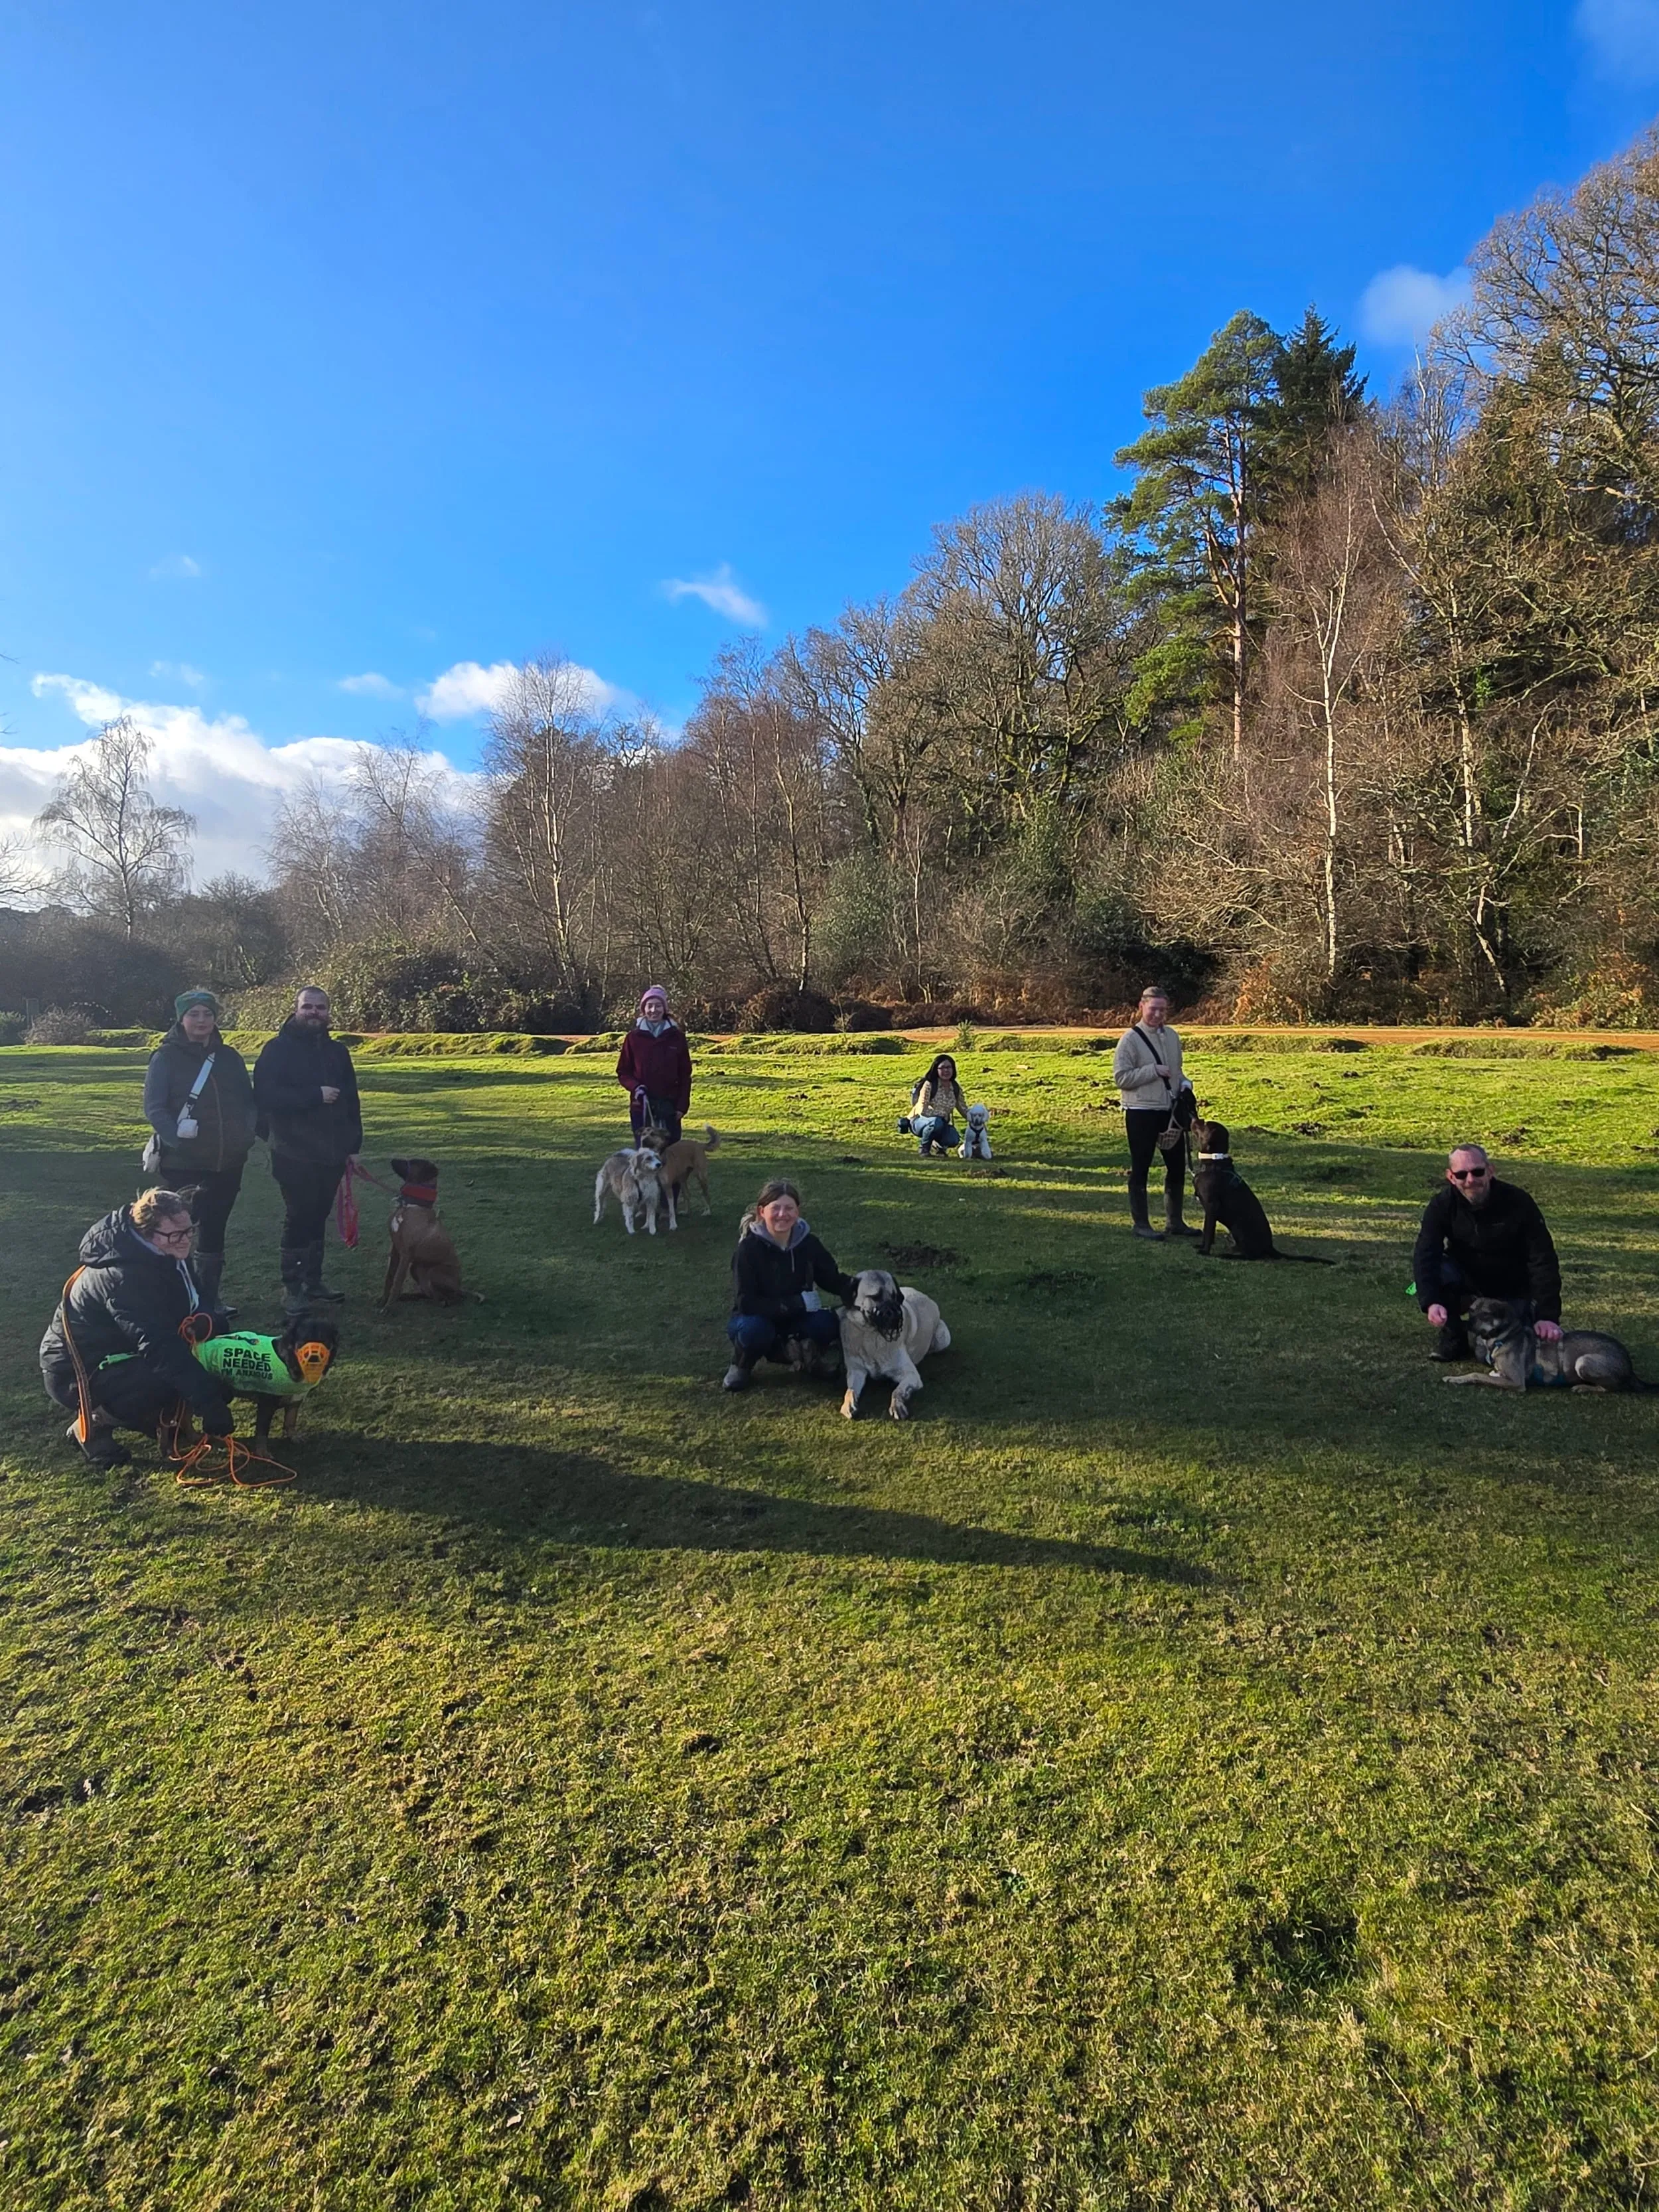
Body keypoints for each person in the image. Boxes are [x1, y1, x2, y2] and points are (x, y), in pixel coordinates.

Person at [40, 1188, 235, 1469]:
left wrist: (208, 1322)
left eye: (190, 1231)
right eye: (176, 1234)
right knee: (168, 1381)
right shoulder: (122, 1277)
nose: (186, 1240)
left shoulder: (166, 1249)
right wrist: (209, 1402)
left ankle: (157, 1418)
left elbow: (197, 1297)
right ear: (147, 1233)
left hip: (126, 1351)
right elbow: (158, 1346)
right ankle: (94, 1421)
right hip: (76, 1371)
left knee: (211, 1362)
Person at [141, 988, 256, 1323]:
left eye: (208, 1014)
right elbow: (155, 1108)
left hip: (228, 1163)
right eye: (194, 1014)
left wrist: (245, 1137)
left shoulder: (230, 1058)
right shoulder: (165, 1058)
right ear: (181, 1019)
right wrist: (177, 1140)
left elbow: (248, 1102)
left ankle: (208, 1299)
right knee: (177, 1232)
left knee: (215, 1230)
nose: (202, 1021)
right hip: (184, 1166)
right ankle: (178, 1299)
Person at [253, 986, 363, 1317]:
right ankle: (292, 1289)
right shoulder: (277, 1050)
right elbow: (265, 1097)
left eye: (320, 1007)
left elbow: (351, 1101)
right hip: (293, 1151)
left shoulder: (337, 1052)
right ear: (296, 1009)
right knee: (299, 1217)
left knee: (318, 1217)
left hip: (332, 1152)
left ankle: (313, 1282)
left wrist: (353, 1146)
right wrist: (315, 1095)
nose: (314, 1013)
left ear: (328, 1012)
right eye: (308, 1007)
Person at [1413, 1143, 1563, 1361]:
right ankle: (1453, 1336)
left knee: (1515, 1344)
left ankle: (1515, 1319)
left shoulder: (1519, 1202)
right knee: (1434, 1272)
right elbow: (1425, 1253)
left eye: (1477, 1172)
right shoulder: (1441, 1205)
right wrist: (1431, 1301)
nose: (1470, 1180)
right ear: (1451, 1177)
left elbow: (1542, 1259)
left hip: (1513, 1286)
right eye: (1461, 1174)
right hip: (1467, 1280)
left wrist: (1547, 1316)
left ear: (1490, 1170)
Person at [724, 1177, 857, 1391]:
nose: (782, 1214)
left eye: (789, 1208)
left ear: (798, 1212)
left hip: (796, 1318)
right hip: (756, 1318)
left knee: (829, 1323)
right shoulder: (748, 1249)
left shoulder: (809, 1243)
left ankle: (809, 1358)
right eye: (775, 1208)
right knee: (754, 1332)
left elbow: (831, 1278)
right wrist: (796, 1304)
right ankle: (741, 1364)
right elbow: (746, 1303)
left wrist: (859, 1286)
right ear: (762, 1211)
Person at [1112, 985, 1198, 1239]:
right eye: (1153, 1009)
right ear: (1141, 1007)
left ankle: (1175, 1222)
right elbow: (1121, 1078)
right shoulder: (1130, 1040)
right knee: (1141, 1167)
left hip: (1169, 1112)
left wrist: (1185, 1084)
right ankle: (1141, 1225)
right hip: (1141, 1112)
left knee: (1177, 1166)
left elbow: (1176, 1071)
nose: (1158, 1015)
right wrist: (1152, 1071)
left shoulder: (1172, 1037)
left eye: (1163, 1010)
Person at [616, 986, 692, 1148]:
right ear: (643, 1009)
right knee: (645, 1154)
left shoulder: (677, 1037)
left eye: (658, 1006)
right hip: (642, 1107)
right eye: (649, 1006)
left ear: (664, 1009)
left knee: (671, 1153)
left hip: (670, 1106)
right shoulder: (633, 1038)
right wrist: (636, 1087)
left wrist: (682, 1106)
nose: (653, 1010)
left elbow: (685, 1074)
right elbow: (623, 1071)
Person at [912, 1054, 968, 1158]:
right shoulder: (929, 1085)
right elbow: (922, 1110)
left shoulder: (955, 1087)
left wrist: (978, 1120)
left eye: (949, 1067)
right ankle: (924, 1148)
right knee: (937, 1122)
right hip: (920, 1121)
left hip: (942, 1124)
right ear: (936, 1069)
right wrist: (941, 1115)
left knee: (954, 1139)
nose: (946, 1071)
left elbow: (964, 1109)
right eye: (942, 1068)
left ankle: (939, 1147)